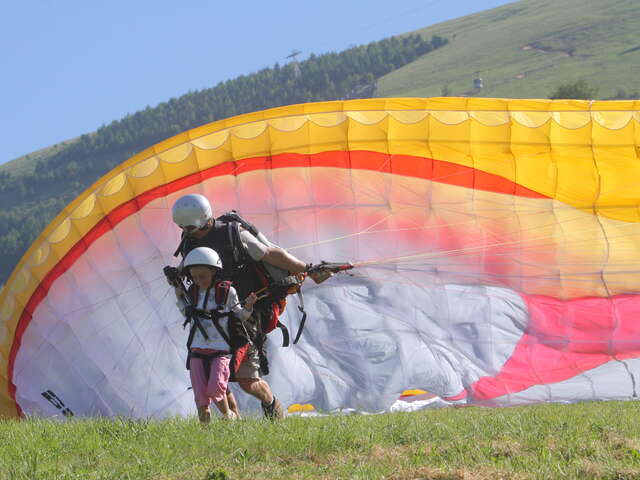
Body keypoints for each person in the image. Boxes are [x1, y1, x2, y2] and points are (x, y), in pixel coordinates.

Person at [171, 193, 307, 419]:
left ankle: (271, 404)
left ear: (204, 220)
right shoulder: (189, 242)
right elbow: (188, 273)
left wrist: (306, 268)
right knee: (212, 372)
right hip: (212, 319)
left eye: (191, 228)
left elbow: (271, 253)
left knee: (245, 379)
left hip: (245, 315)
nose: (188, 233)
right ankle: (233, 422)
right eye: (184, 228)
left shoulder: (233, 234)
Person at [175, 246, 258, 423]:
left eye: (203, 276)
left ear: (213, 272)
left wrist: (249, 305)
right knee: (200, 394)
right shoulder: (193, 293)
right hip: (197, 349)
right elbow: (187, 315)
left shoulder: (227, 292)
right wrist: (180, 298)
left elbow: (241, 315)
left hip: (221, 349)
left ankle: (230, 419)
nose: (199, 280)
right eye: (195, 277)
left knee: (216, 388)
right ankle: (205, 433)